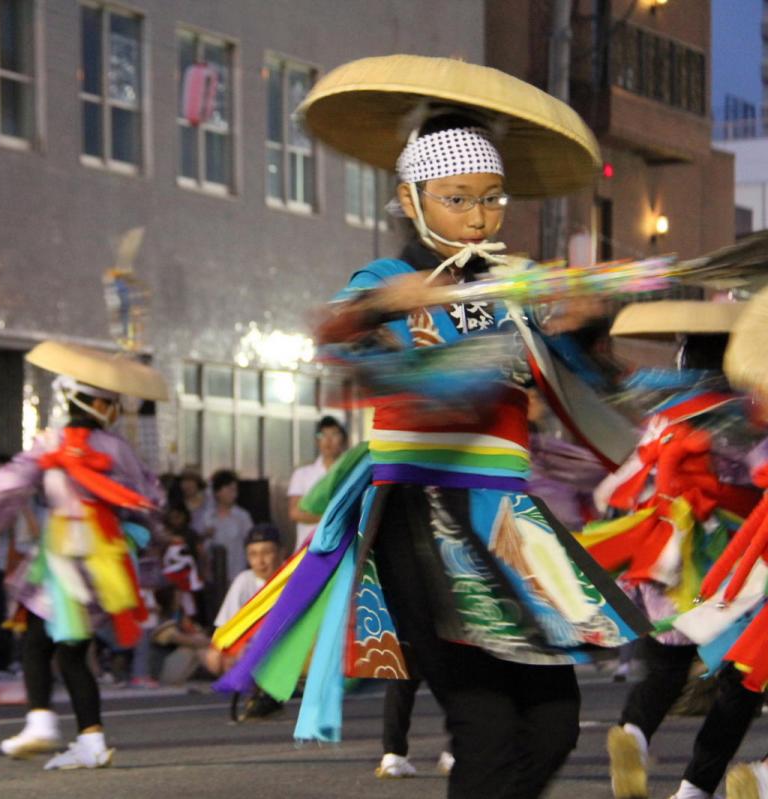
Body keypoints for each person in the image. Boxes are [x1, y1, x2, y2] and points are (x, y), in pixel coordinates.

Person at [212, 55, 648, 799]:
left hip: (512, 519)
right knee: (482, 722)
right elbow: (340, 333)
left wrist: (591, 320)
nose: (478, 217)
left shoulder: (517, 289)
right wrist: (388, 302)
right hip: (423, 517)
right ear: (410, 201)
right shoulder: (385, 278)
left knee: (553, 722)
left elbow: (594, 390)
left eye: (491, 199)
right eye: (456, 199)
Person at [0, 340, 165, 770]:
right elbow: (149, 497)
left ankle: (41, 721)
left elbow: (9, 482)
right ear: (99, 407)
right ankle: (91, 739)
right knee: (71, 650)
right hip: (101, 561)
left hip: (63, 556)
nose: (114, 411)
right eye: (110, 405)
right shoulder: (119, 450)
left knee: (37, 641)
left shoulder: (51, 442)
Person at [573, 302, 760, 799]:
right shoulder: (739, 420)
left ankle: (633, 731)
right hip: (726, 564)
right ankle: (696, 787)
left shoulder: (662, 416)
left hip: (663, 553)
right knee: (741, 679)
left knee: (665, 667)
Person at [203, 524, 284, 678]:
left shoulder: (293, 578)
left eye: (266, 553)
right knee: (215, 657)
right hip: (252, 645)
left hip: (285, 644)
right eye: (253, 554)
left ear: (281, 553)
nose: (260, 561)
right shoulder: (244, 580)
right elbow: (227, 626)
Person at [287, 417, 348, 552]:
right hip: (307, 548)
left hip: (341, 547)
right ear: (317, 441)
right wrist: (330, 518)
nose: (328, 440)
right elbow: (295, 513)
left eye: (334, 434)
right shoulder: (302, 474)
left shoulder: (351, 473)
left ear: (343, 439)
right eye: (323, 435)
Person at [199, 469, 253, 596]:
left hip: (236, 573)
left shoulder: (242, 516)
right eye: (229, 490)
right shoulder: (207, 516)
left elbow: (250, 541)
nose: (233, 494)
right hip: (213, 575)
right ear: (217, 492)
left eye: (235, 490)